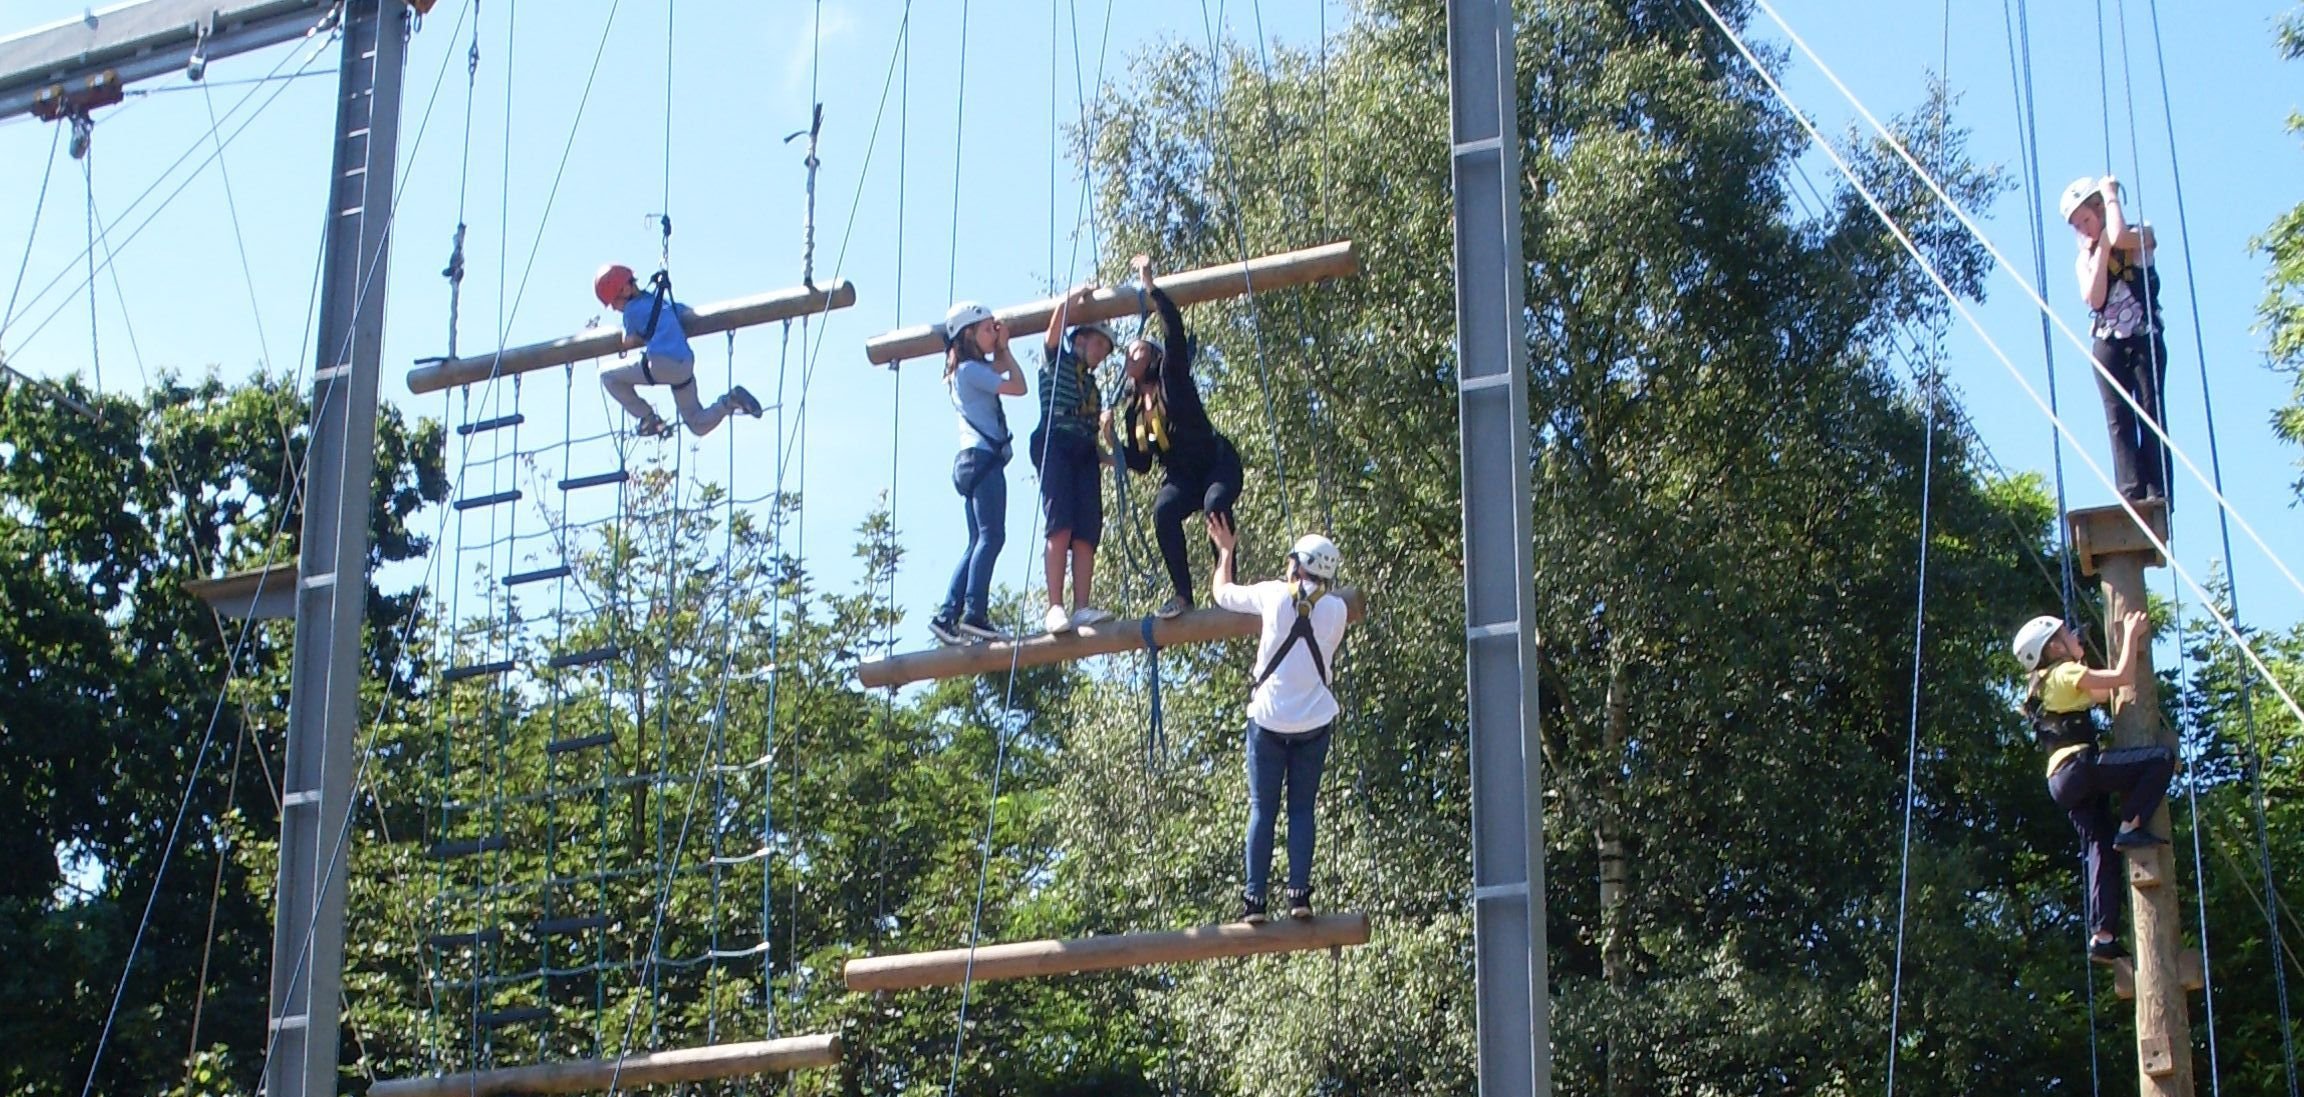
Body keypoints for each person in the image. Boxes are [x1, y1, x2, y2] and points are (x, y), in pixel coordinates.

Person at [2011, 611, 2177, 964]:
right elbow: (2121, 678)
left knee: (2099, 849)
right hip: (2078, 768)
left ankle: (2102, 935)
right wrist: (2130, 634)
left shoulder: (2050, 681)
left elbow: (2102, 694)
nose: (2074, 635)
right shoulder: (2064, 672)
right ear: (2055, 646)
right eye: (2066, 634)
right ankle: (2131, 826)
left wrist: (2086, 653)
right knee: (2160, 759)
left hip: (2062, 783)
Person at [1210, 518, 1347, 924]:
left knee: (1262, 810)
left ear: (1297, 565)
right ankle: (1299, 895)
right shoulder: (1337, 610)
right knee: (1302, 810)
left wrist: (1226, 552)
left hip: (1269, 721)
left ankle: (1255, 900)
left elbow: (1222, 594)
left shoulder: (1272, 595)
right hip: (1314, 721)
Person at [1119, 254, 1244, 619]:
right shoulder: (1134, 411)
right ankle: (1183, 595)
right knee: (1164, 511)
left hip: (1216, 464)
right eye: (1128, 353)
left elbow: (1173, 328)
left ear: (1154, 357)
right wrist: (1111, 446)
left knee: (1215, 504)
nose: (1130, 355)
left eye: (1138, 350)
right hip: (1182, 476)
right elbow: (1141, 462)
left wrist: (1150, 286)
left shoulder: (1172, 377)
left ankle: (1228, 585)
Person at [2060, 175, 2171, 503]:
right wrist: (2102, 247)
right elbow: (2094, 299)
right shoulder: (2087, 258)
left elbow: (2121, 235)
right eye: (2077, 226)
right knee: (2118, 420)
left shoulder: (2141, 235)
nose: (2084, 230)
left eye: (2086, 220)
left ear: (2099, 209)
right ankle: (2131, 491)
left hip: (2142, 336)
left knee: (2150, 410)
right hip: (2108, 342)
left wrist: (2111, 196)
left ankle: (2157, 490)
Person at [928, 301, 1027, 646]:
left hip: (970, 461)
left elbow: (999, 373)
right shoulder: (971, 371)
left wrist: (999, 347)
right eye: (986, 329)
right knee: (992, 537)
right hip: (984, 461)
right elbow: (1018, 385)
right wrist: (1007, 350)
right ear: (968, 334)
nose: (992, 333)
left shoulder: (963, 372)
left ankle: (946, 614)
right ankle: (974, 613)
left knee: (977, 541)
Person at [1031, 284, 1116, 635]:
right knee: (1061, 524)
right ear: (1080, 340)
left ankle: (1081, 606)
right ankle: (1055, 606)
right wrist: (1073, 297)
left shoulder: (1093, 388)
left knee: (1086, 533)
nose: (1102, 354)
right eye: (1099, 344)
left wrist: (1107, 450)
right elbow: (1053, 332)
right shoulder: (1056, 363)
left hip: (1083, 450)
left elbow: (1091, 431)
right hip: (1056, 441)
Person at [592, 264, 762, 437]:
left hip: (661, 364)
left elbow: (627, 341)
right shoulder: (659, 302)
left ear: (626, 290)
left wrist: (638, 335)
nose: (614, 308)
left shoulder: (631, 311)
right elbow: (684, 311)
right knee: (697, 424)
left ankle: (647, 417)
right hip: (684, 364)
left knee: (607, 375)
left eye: (614, 302)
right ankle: (729, 401)